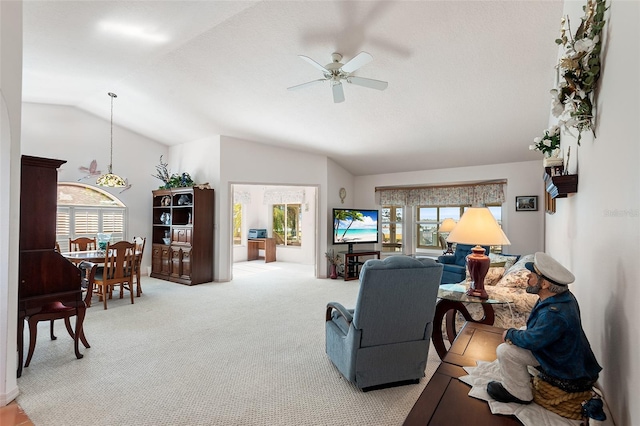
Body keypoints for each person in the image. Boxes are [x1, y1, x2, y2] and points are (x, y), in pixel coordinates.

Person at [487, 252, 602, 404]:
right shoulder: (562, 298)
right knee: (522, 329)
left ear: (545, 284)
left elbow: (533, 341)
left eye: (532, 275)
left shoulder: (554, 314)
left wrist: (510, 334)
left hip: (567, 373)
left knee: (505, 351)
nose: (527, 278)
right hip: (562, 356)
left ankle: (519, 393)